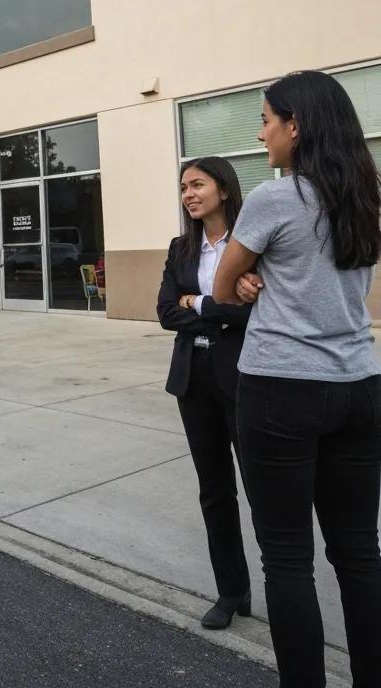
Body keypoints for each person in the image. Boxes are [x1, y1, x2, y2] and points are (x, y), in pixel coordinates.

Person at [213, 70, 381, 688]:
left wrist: (253, 280)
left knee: (288, 561)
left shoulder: (273, 198)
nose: (260, 135)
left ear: (296, 126)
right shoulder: (365, 195)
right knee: (361, 556)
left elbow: (223, 286)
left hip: (281, 389)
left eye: (264, 120)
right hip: (361, 385)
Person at [157, 157, 253, 630]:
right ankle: (231, 590)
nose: (188, 194)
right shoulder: (181, 248)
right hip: (193, 380)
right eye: (183, 187)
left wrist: (194, 303)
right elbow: (163, 312)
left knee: (261, 491)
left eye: (197, 184)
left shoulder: (253, 245)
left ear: (224, 189)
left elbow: (254, 315)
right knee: (214, 490)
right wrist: (220, 305)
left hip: (243, 378)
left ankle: (280, 587)